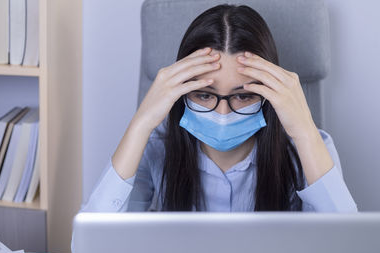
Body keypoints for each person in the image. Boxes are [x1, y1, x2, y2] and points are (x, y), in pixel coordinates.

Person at [77, 4, 358, 214]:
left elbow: (348, 252)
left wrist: (304, 131)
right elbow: (92, 249)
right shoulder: (155, 147)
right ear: (182, 93)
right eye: (203, 95)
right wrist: (140, 124)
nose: (223, 115)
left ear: (269, 96)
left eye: (244, 97)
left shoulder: (308, 147)